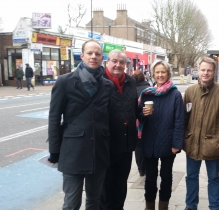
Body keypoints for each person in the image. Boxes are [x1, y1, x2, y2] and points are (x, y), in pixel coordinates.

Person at [47, 39, 114, 210]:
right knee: (71, 202)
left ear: (102, 57)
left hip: (98, 152)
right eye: (90, 53)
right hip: (73, 152)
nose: (93, 57)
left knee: (94, 200)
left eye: (97, 54)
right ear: (82, 56)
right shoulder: (65, 81)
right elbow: (54, 117)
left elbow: (111, 118)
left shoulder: (107, 85)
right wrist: (54, 150)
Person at [183, 57, 219, 210]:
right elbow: (184, 117)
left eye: (209, 70)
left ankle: (214, 206)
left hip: (213, 143)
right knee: (191, 177)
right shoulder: (190, 91)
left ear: (214, 72)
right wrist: (181, 138)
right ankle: (190, 206)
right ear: (198, 70)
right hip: (192, 142)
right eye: (203, 70)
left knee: (213, 178)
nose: (205, 73)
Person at [138, 60, 184, 210]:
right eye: (157, 72)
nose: (160, 75)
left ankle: (163, 206)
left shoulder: (175, 94)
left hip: (167, 143)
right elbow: (138, 117)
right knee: (150, 178)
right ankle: (149, 206)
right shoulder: (146, 94)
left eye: (163, 72)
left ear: (168, 74)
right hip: (149, 142)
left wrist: (176, 144)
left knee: (166, 177)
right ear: (153, 74)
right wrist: (142, 114)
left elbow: (179, 120)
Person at [100, 50, 138, 210]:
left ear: (125, 65)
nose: (118, 65)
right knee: (106, 188)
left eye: (121, 62)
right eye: (114, 61)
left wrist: (142, 113)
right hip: (105, 145)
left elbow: (133, 108)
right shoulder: (99, 81)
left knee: (121, 185)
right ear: (107, 63)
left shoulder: (130, 81)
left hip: (126, 144)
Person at [132, 70, 151, 177]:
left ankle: (141, 169)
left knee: (138, 146)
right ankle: (149, 167)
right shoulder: (149, 89)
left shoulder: (132, 90)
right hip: (148, 122)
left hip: (136, 123)